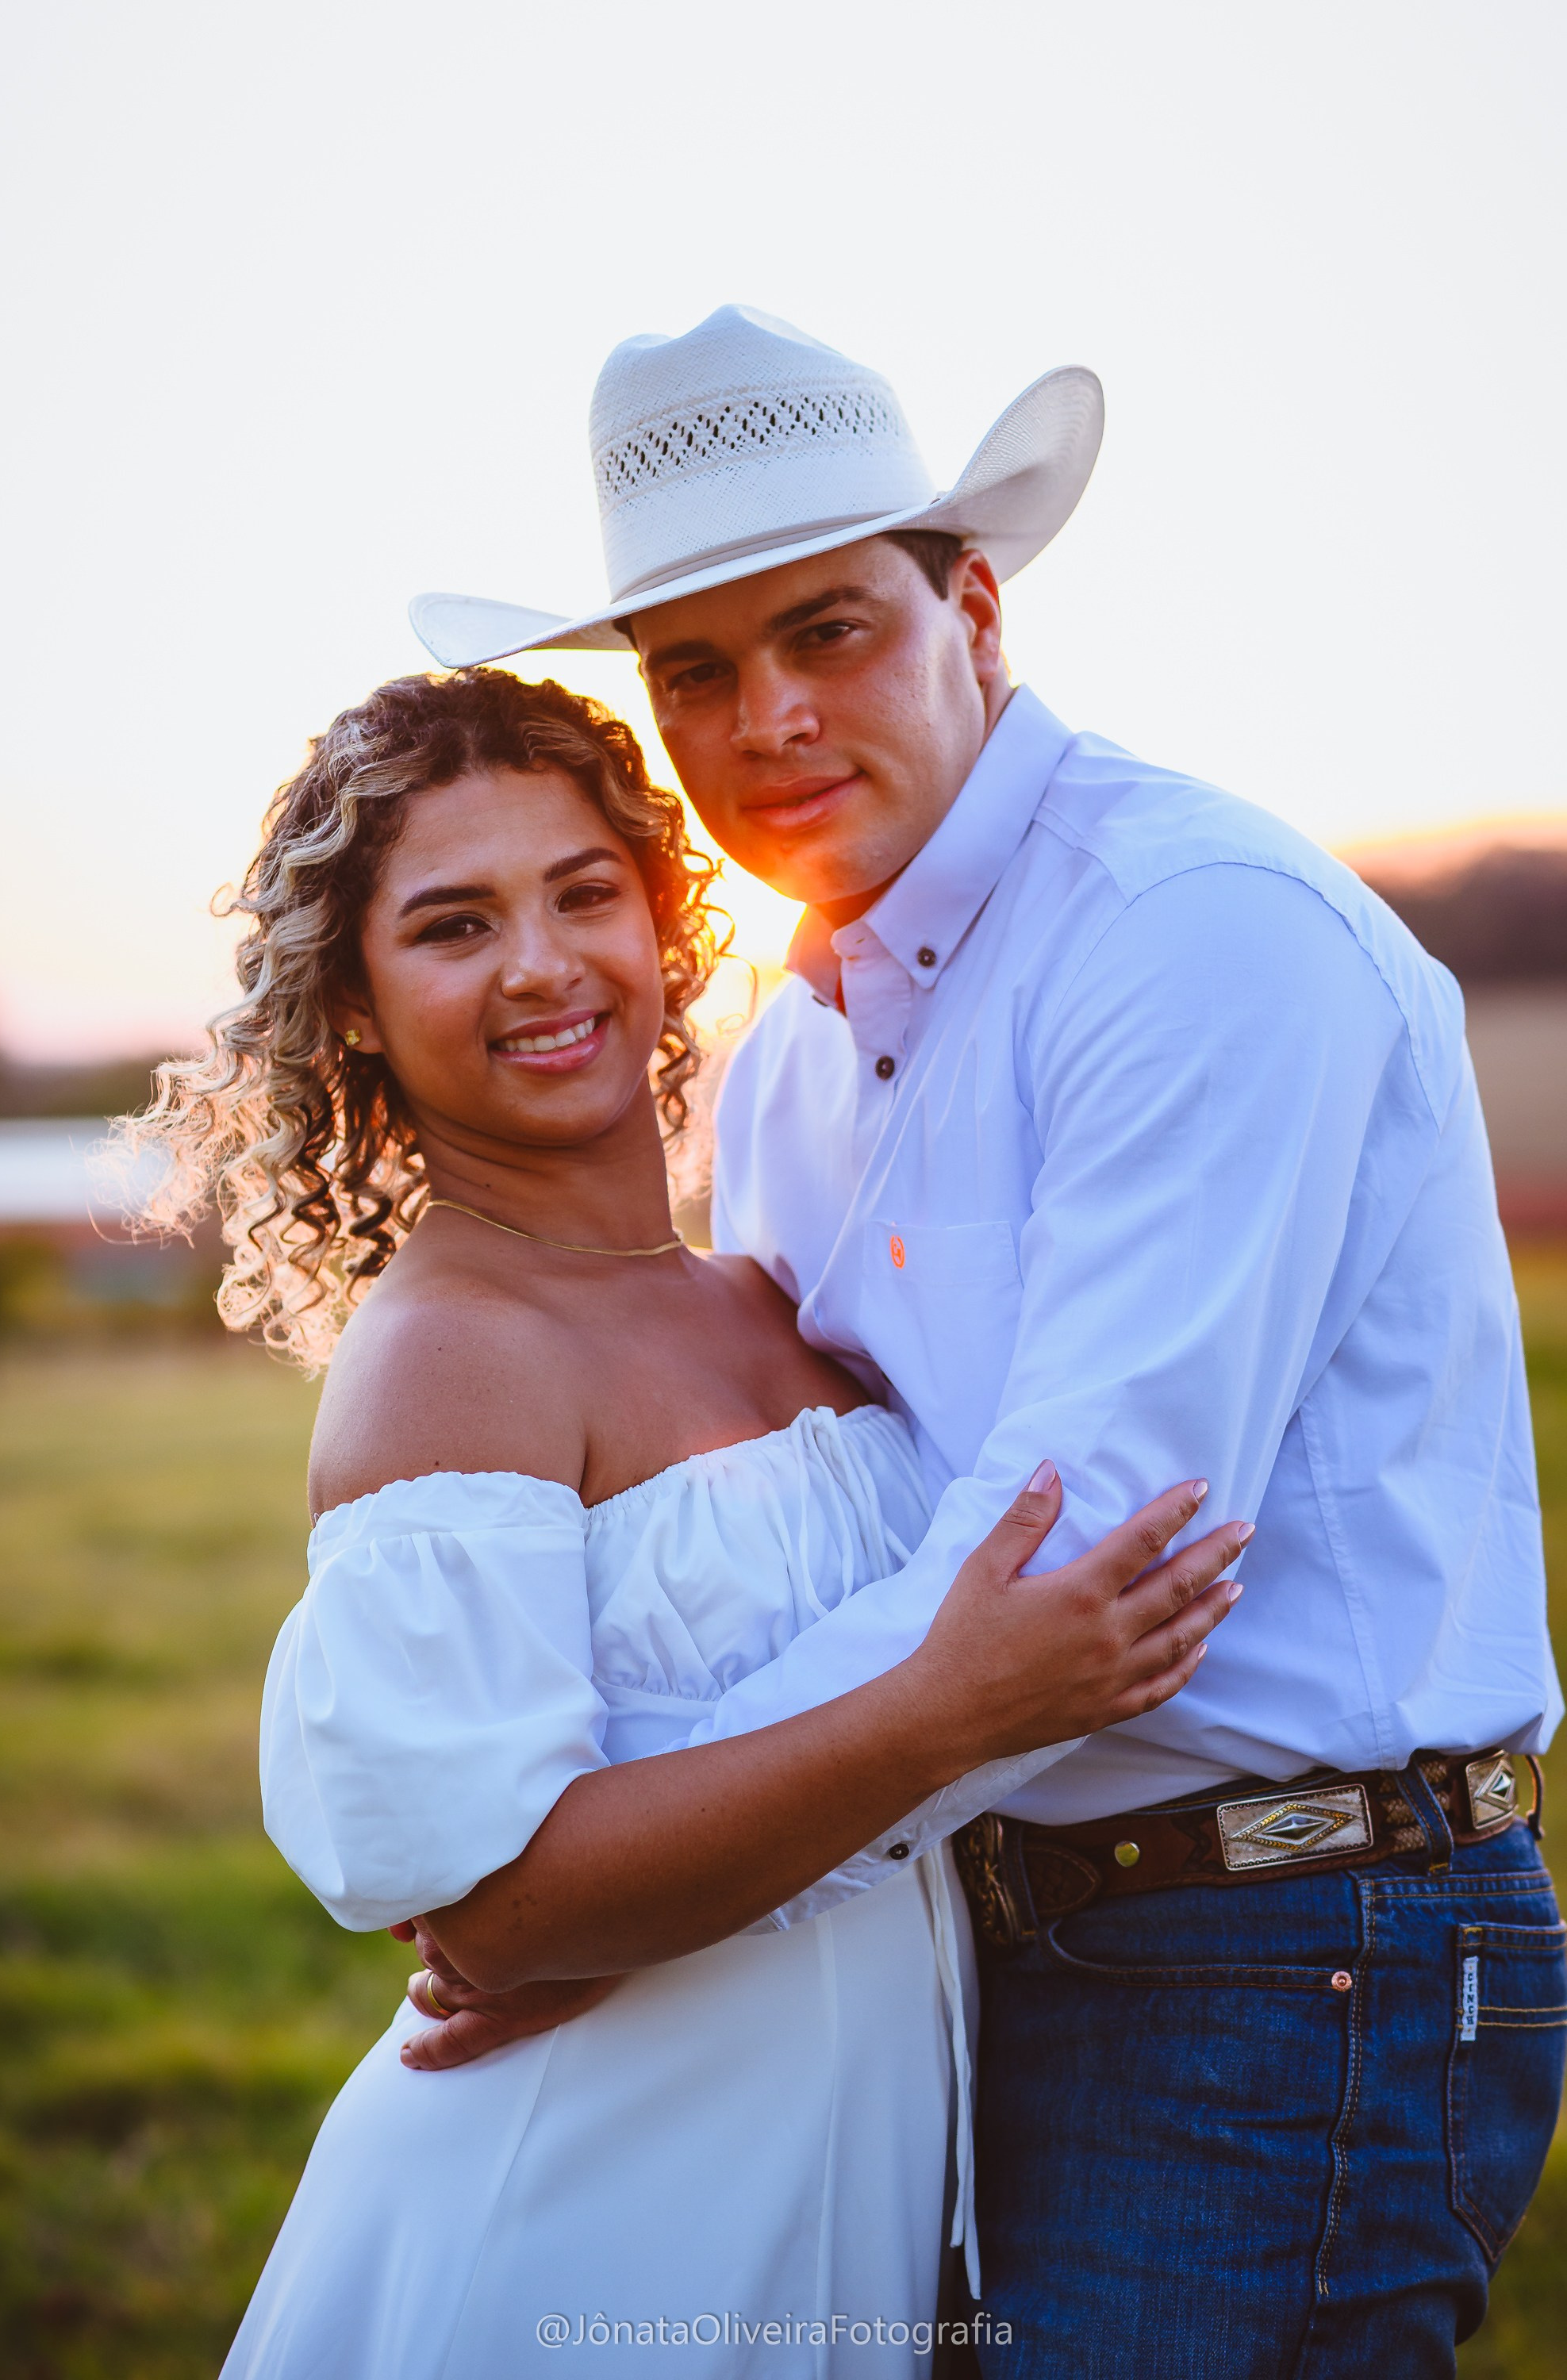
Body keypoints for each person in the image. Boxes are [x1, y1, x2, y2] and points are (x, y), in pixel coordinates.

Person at [409, 305, 1565, 2376]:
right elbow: (834, 1558)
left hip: (1282, 1945)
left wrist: (606, 1870)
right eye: (695, 669)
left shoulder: (1193, 938)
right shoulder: (778, 1070)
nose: (765, 715)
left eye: (829, 631)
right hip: (948, 1932)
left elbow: (1074, 1575)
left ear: (973, 604)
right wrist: (610, 1858)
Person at [127, 667, 1244, 2378]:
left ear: (665, 925)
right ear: (351, 1005)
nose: (541, 965)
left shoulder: (766, 1296)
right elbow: (496, 1913)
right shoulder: (449, 1358)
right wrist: (950, 1706)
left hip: (835, 2189)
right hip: (591, 2208)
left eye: (584, 893)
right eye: (452, 925)